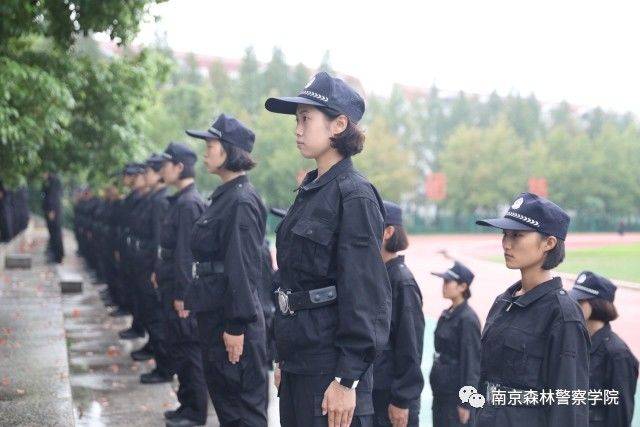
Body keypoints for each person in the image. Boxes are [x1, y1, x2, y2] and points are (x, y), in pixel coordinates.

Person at [265, 71, 392, 426]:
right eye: (296, 120)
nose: (297, 129)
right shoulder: (311, 189)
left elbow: (366, 294)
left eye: (306, 118)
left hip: (329, 373)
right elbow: (294, 280)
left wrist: (346, 380)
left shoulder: (354, 195)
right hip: (299, 362)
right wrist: (282, 358)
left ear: (339, 125)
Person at [474, 192, 589, 426]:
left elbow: (568, 405)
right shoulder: (503, 302)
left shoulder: (562, 314)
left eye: (517, 235)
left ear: (549, 243)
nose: (506, 243)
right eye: (505, 234)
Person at [185, 114, 269, 426]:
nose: (205, 152)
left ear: (229, 150)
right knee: (227, 406)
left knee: (241, 411)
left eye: (211, 146)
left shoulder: (241, 201)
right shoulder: (226, 196)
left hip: (231, 320)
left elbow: (243, 267)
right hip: (217, 312)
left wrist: (236, 326)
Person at [158, 143, 208, 427]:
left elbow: (186, 255)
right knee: (179, 348)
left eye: (166, 164)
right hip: (172, 286)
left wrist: (183, 295)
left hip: (182, 292)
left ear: (179, 167)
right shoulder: (180, 201)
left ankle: (195, 411)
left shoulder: (189, 204)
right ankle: (186, 403)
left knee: (189, 351)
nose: (162, 170)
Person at [373, 201, 425, 427]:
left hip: (392, 399)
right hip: (377, 391)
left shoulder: (402, 281)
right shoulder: (381, 274)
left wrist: (401, 400)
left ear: (388, 232)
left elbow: (410, 345)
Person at [569, 271, 639, 426]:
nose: (573, 306)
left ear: (596, 304)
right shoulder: (576, 343)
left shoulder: (617, 354)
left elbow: (619, 417)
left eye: (580, 301)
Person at [429, 260, 480, 427]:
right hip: (442, 392)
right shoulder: (448, 314)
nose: (443, 286)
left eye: (447, 282)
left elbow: (471, 363)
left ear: (462, 287)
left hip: (455, 397)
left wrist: (466, 403)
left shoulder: (467, 319)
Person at [42, 172, 64, 263]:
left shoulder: (53, 181)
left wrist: (51, 210)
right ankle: (56, 254)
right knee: (53, 233)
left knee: (55, 233)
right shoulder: (51, 181)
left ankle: (58, 255)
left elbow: (52, 196)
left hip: (53, 211)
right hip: (52, 210)